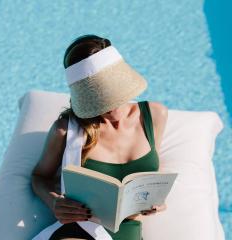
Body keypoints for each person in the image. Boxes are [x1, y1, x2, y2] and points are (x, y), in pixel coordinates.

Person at [31, 34, 168, 240]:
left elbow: (153, 175)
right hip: (80, 229)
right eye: (99, 102)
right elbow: (39, 177)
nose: (111, 108)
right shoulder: (66, 130)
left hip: (127, 230)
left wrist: (156, 201)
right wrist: (54, 202)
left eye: (115, 96)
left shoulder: (155, 115)